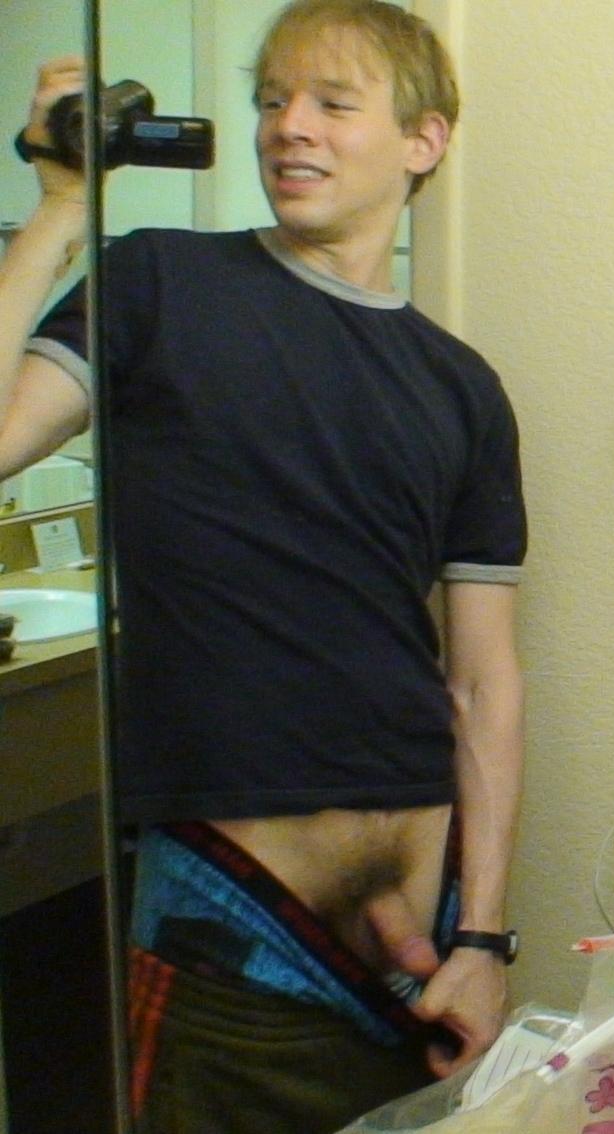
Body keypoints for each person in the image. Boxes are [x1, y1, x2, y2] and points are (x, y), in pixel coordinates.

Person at [0, 2, 526, 1130]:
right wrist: (59, 209)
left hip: (418, 944)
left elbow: (483, 681)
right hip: (232, 919)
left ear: (423, 139)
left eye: (333, 103)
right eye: (272, 101)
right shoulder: (160, 283)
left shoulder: (461, 387)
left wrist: (484, 935)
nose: (290, 126)